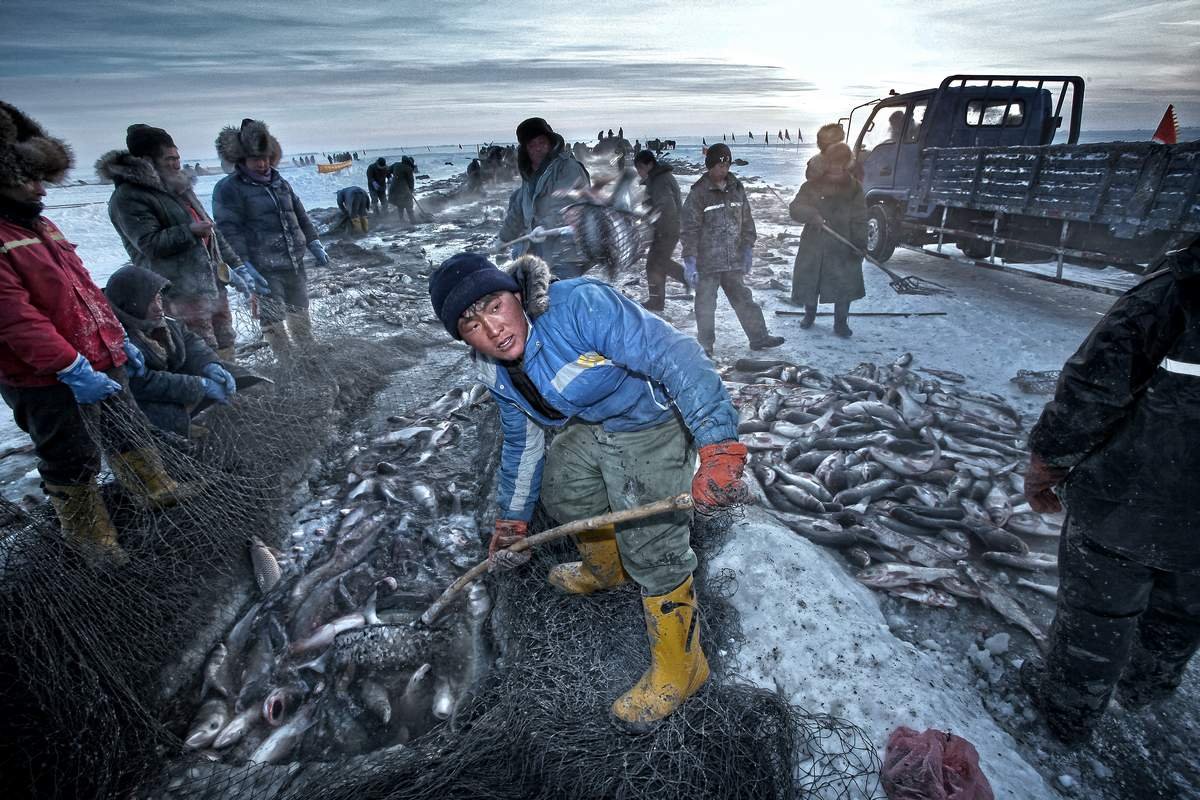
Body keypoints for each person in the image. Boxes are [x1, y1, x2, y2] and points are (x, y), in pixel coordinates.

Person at [428, 252, 750, 729]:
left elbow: (677, 355)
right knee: (563, 489)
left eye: (494, 306)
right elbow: (522, 441)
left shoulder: (580, 307)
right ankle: (607, 568)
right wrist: (511, 520)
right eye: (471, 324)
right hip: (597, 424)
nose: (492, 330)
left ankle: (683, 667)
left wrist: (719, 446)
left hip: (652, 421)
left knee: (653, 545)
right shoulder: (494, 370)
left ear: (515, 295)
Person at [1019, 237, 1200, 746]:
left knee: (1098, 616)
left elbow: (1093, 389)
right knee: (1182, 607)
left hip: (1130, 499)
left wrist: (1046, 464)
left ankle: (1068, 716)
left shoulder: (1174, 291)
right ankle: (1146, 690)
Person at [0, 103, 195, 558]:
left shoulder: (39, 222)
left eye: (41, 176)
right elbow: (14, 318)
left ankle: (153, 488)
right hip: (44, 378)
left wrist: (114, 334)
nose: (39, 187)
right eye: (26, 178)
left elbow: (81, 285)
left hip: (101, 355)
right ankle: (93, 539)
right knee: (72, 457)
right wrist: (70, 365)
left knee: (128, 432)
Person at [98, 124, 254, 363]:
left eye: (177, 158)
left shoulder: (179, 187)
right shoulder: (128, 197)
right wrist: (188, 231)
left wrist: (237, 266)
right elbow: (148, 244)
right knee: (200, 351)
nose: (176, 164)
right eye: (169, 159)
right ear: (147, 160)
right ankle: (213, 396)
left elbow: (212, 232)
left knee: (225, 341)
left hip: (210, 284)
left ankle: (236, 396)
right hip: (178, 292)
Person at [212, 118, 329, 355]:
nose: (263, 164)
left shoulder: (279, 182)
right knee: (272, 313)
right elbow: (229, 230)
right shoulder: (229, 188)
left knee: (299, 307)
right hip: (263, 265)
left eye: (266, 158)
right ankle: (284, 357)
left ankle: (307, 350)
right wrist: (243, 264)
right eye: (256, 159)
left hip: (293, 260)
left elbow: (299, 213)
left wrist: (313, 241)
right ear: (241, 160)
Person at [104, 266, 236, 438]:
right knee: (165, 416)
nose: (159, 308)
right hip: (141, 404)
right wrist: (201, 386)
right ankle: (179, 437)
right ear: (130, 304)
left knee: (232, 373)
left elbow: (190, 341)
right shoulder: (116, 338)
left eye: (158, 298)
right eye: (149, 302)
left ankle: (200, 419)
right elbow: (143, 384)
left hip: (172, 386)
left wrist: (209, 364)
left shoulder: (161, 321)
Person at [679, 143, 783, 357]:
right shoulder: (698, 193)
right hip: (708, 262)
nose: (723, 170)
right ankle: (706, 345)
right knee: (705, 304)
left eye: (726, 165)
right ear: (710, 167)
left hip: (733, 259)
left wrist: (748, 248)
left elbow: (747, 220)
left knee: (744, 299)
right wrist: (690, 260)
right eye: (719, 166)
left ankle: (759, 337)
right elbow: (689, 229)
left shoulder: (737, 187)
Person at [787, 142, 868, 337]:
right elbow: (795, 208)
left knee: (844, 282)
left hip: (842, 242)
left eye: (841, 163)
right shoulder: (812, 185)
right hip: (814, 242)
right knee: (810, 279)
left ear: (846, 163)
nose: (836, 167)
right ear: (826, 162)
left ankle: (840, 323)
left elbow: (860, 218)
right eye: (832, 163)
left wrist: (859, 244)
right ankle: (809, 314)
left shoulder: (854, 187)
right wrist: (811, 214)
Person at [497, 117, 589, 278]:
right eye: (532, 145)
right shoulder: (529, 178)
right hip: (534, 255)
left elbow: (571, 206)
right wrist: (503, 239)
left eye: (541, 142)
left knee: (564, 297)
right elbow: (517, 213)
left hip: (565, 255)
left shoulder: (569, 169)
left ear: (551, 142)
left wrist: (545, 227)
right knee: (534, 300)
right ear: (525, 150)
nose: (538, 148)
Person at [634, 149, 686, 312]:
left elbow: (666, 208)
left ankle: (692, 281)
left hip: (666, 229)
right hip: (665, 228)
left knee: (655, 264)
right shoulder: (656, 178)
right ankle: (658, 301)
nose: (639, 173)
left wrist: (654, 225)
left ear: (650, 164)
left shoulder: (660, 181)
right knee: (657, 263)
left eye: (641, 169)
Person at [388, 156, 417, 224]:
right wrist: (411, 190)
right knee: (409, 204)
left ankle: (401, 220)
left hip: (394, 189)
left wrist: (390, 178)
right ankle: (412, 220)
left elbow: (388, 171)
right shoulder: (408, 169)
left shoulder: (396, 164)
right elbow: (411, 182)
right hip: (403, 189)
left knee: (400, 204)